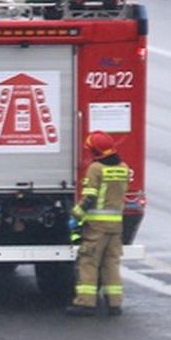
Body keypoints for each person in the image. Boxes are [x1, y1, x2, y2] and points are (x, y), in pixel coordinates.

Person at [67, 130, 131, 317]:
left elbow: (90, 198)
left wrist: (76, 216)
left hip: (96, 227)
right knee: (111, 264)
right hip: (116, 226)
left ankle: (85, 303)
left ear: (95, 150)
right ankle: (114, 304)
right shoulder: (123, 167)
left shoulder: (96, 168)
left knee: (89, 262)